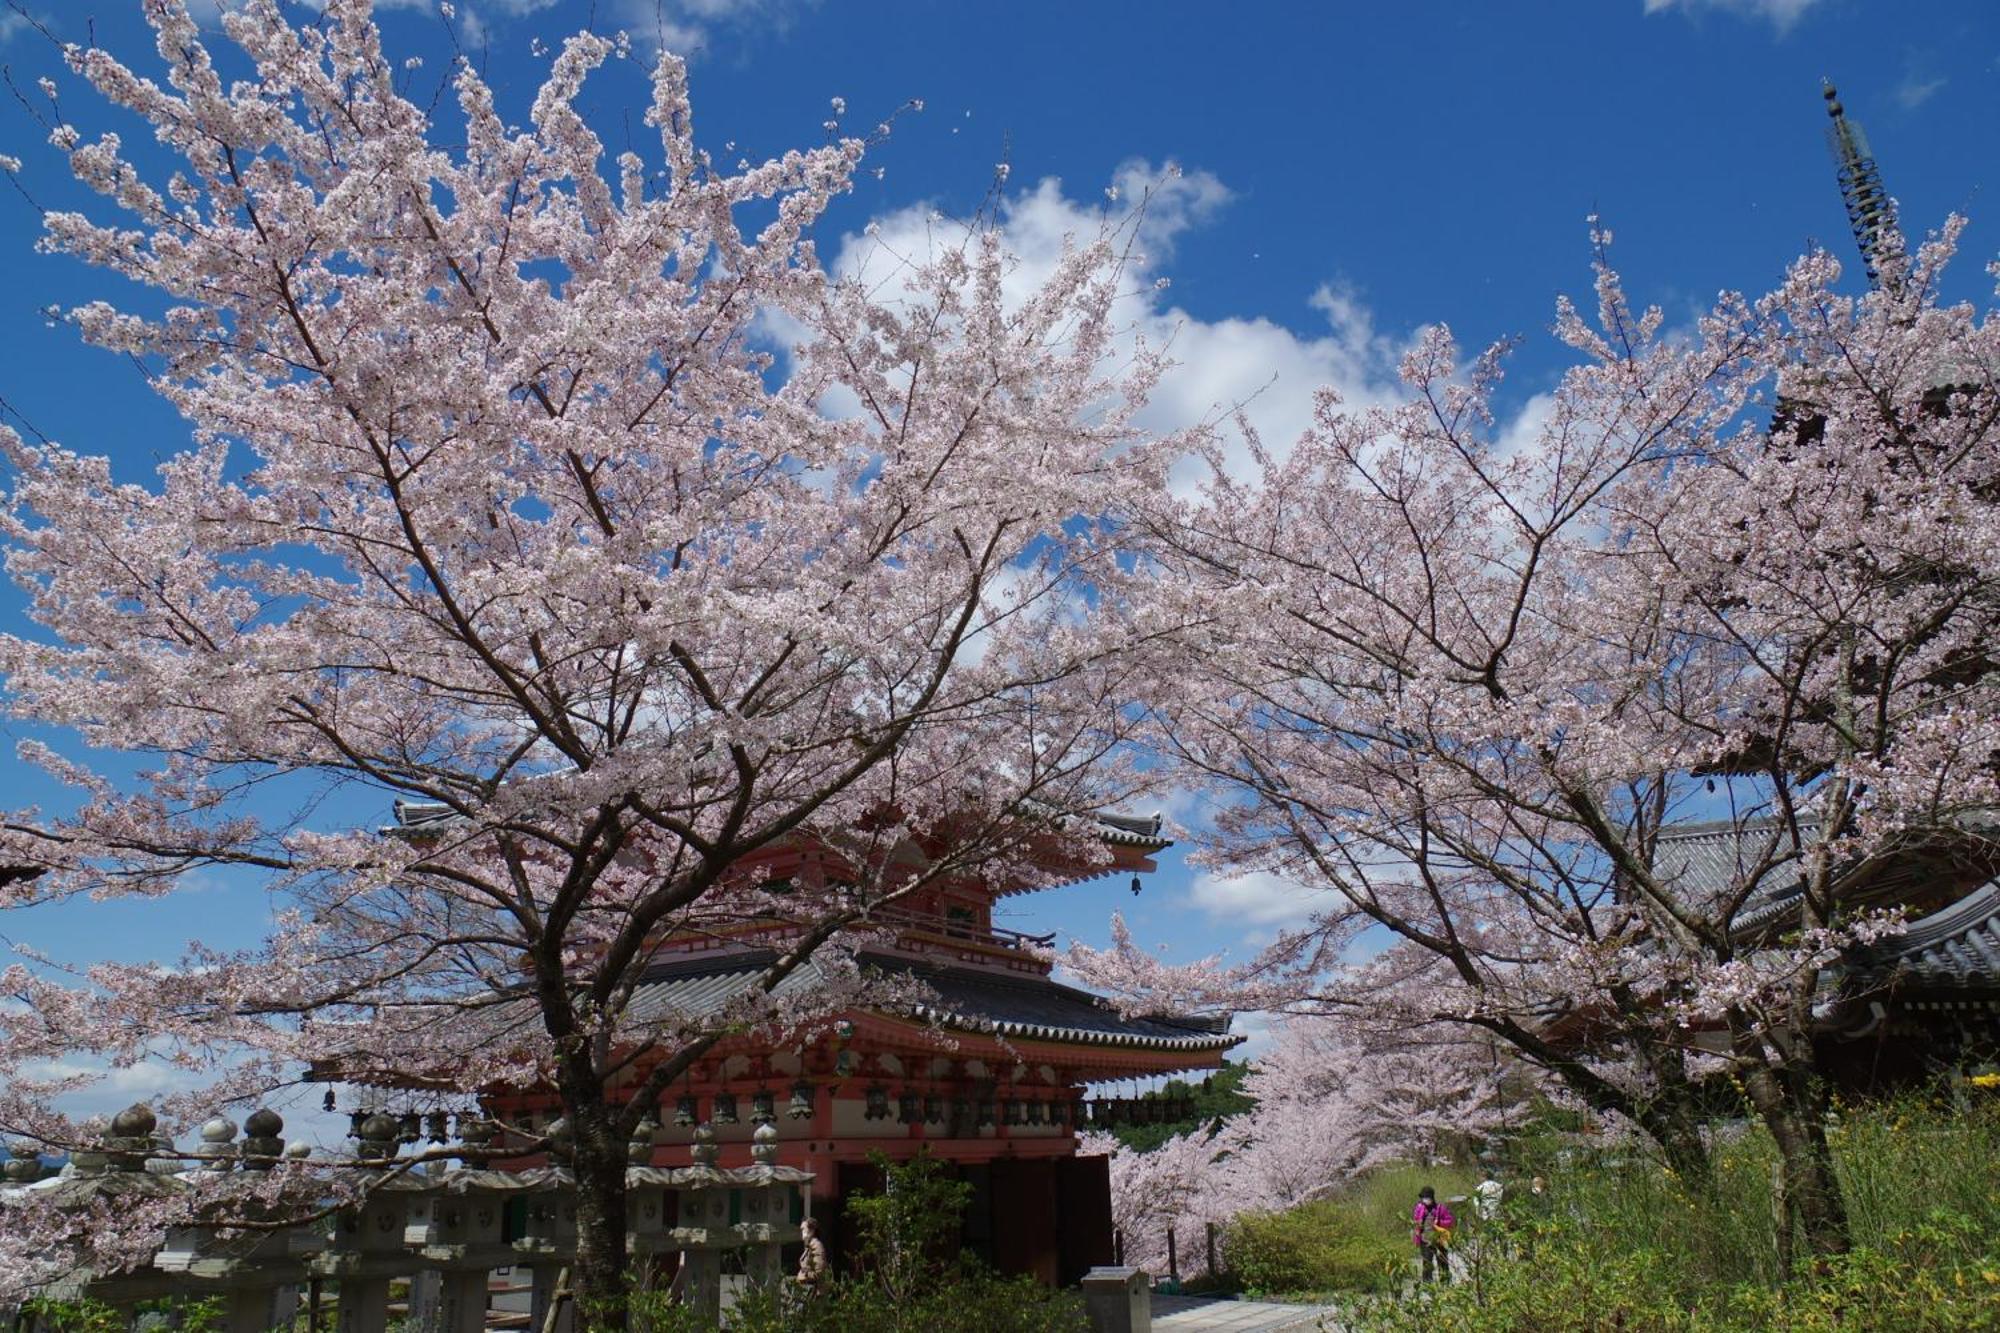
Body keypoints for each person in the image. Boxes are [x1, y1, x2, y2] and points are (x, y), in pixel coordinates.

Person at [1412, 1185, 1455, 1283]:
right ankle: (1427, 1283)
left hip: (1439, 1240)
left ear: (1432, 1197)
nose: (1425, 1200)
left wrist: (1439, 1223)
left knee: (1442, 1261)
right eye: (1423, 1198)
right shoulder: (1419, 1208)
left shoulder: (1440, 1208)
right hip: (1425, 1240)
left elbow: (1450, 1221)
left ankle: (1445, 1281)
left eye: (1427, 1198)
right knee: (1427, 1262)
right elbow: (1415, 1221)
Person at [795, 1215, 829, 1296]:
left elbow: (819, 1273)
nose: (802, 1232)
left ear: (812, 1230)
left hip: (814, 1293)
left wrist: (805, 1275)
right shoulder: (809, 1246)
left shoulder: (817, 1246)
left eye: (803, 1229)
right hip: (807, 1291)